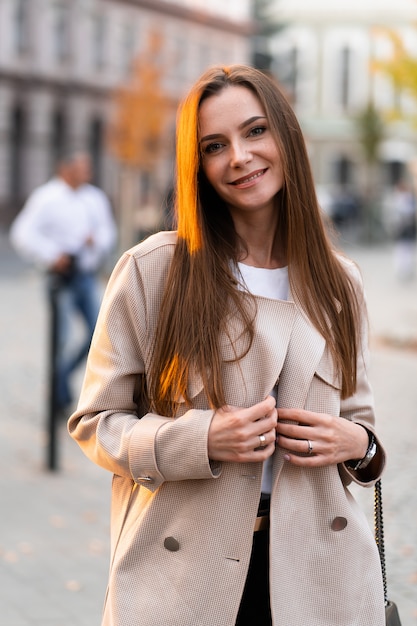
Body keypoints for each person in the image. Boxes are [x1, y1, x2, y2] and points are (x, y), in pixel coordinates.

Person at [68, 65, 386, 626]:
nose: (239, 157)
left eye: (255, 131)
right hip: (187, 573)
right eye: (215, 145)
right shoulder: (155, 272)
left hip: (318, 572)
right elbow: (96, 423)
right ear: (198, 166)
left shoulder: (341, 282)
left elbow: (362, 430)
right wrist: (200, 437)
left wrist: (356, 443)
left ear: (287, 138)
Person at [10, 151, 117, 411]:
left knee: (98, 334)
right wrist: (50, 255)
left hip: (87, 276)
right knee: (62, 338)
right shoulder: (46, 197)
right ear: (65, 169)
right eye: (81, 168)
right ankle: (59, 398)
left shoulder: (95, 198)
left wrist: (97, 241)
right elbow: (21, 233)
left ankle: (61, 378)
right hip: (60, 279)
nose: (87, 172)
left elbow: (109, 232)